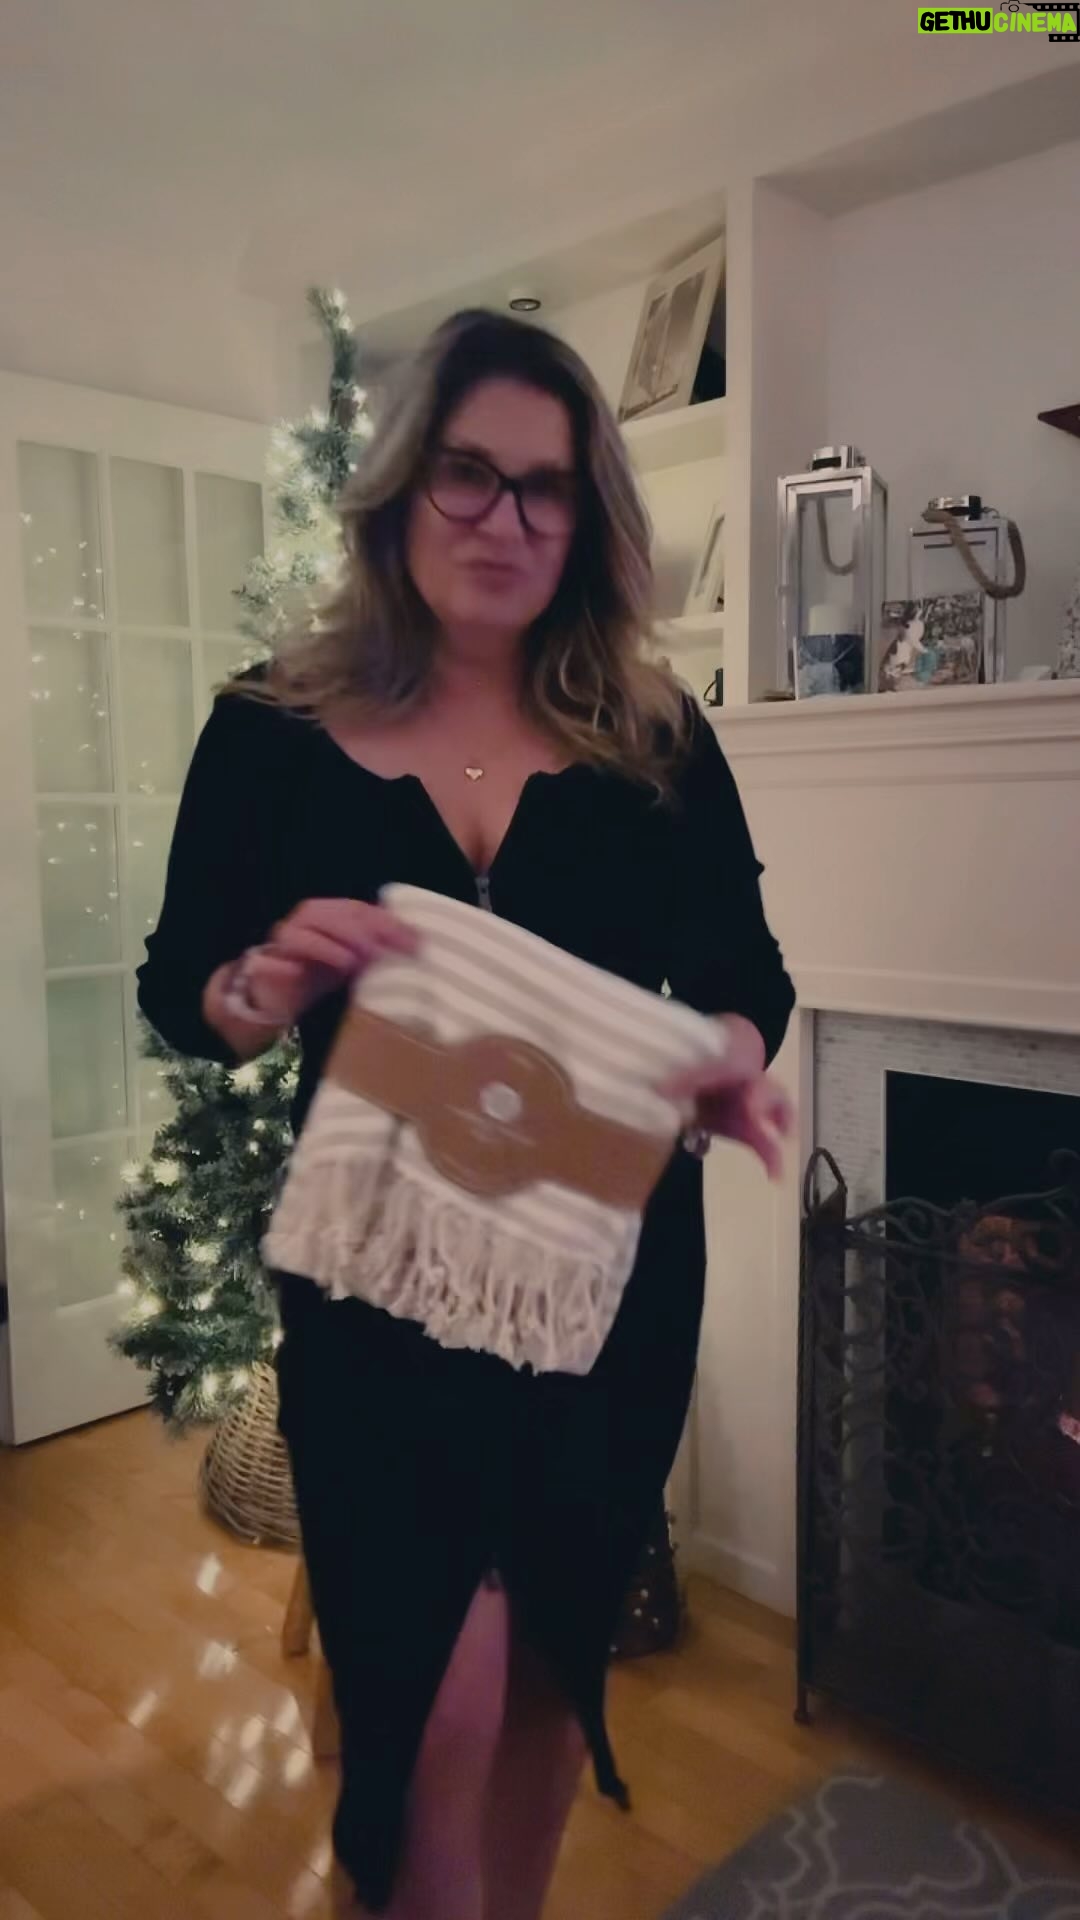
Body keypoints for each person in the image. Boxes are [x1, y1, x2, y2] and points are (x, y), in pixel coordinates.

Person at [138, 309, 794, 1920]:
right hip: (378, 1297)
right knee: (432, 1698)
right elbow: (181, 994)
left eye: (546, 487)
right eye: (468, 473)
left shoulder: (654, 738)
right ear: (399, 488)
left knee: (556, 1671)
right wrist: (267, 981)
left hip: (601, 1290)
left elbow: (747, 977)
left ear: (589, 515)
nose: (505, 519)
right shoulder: (270, 733)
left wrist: (716, 1053)